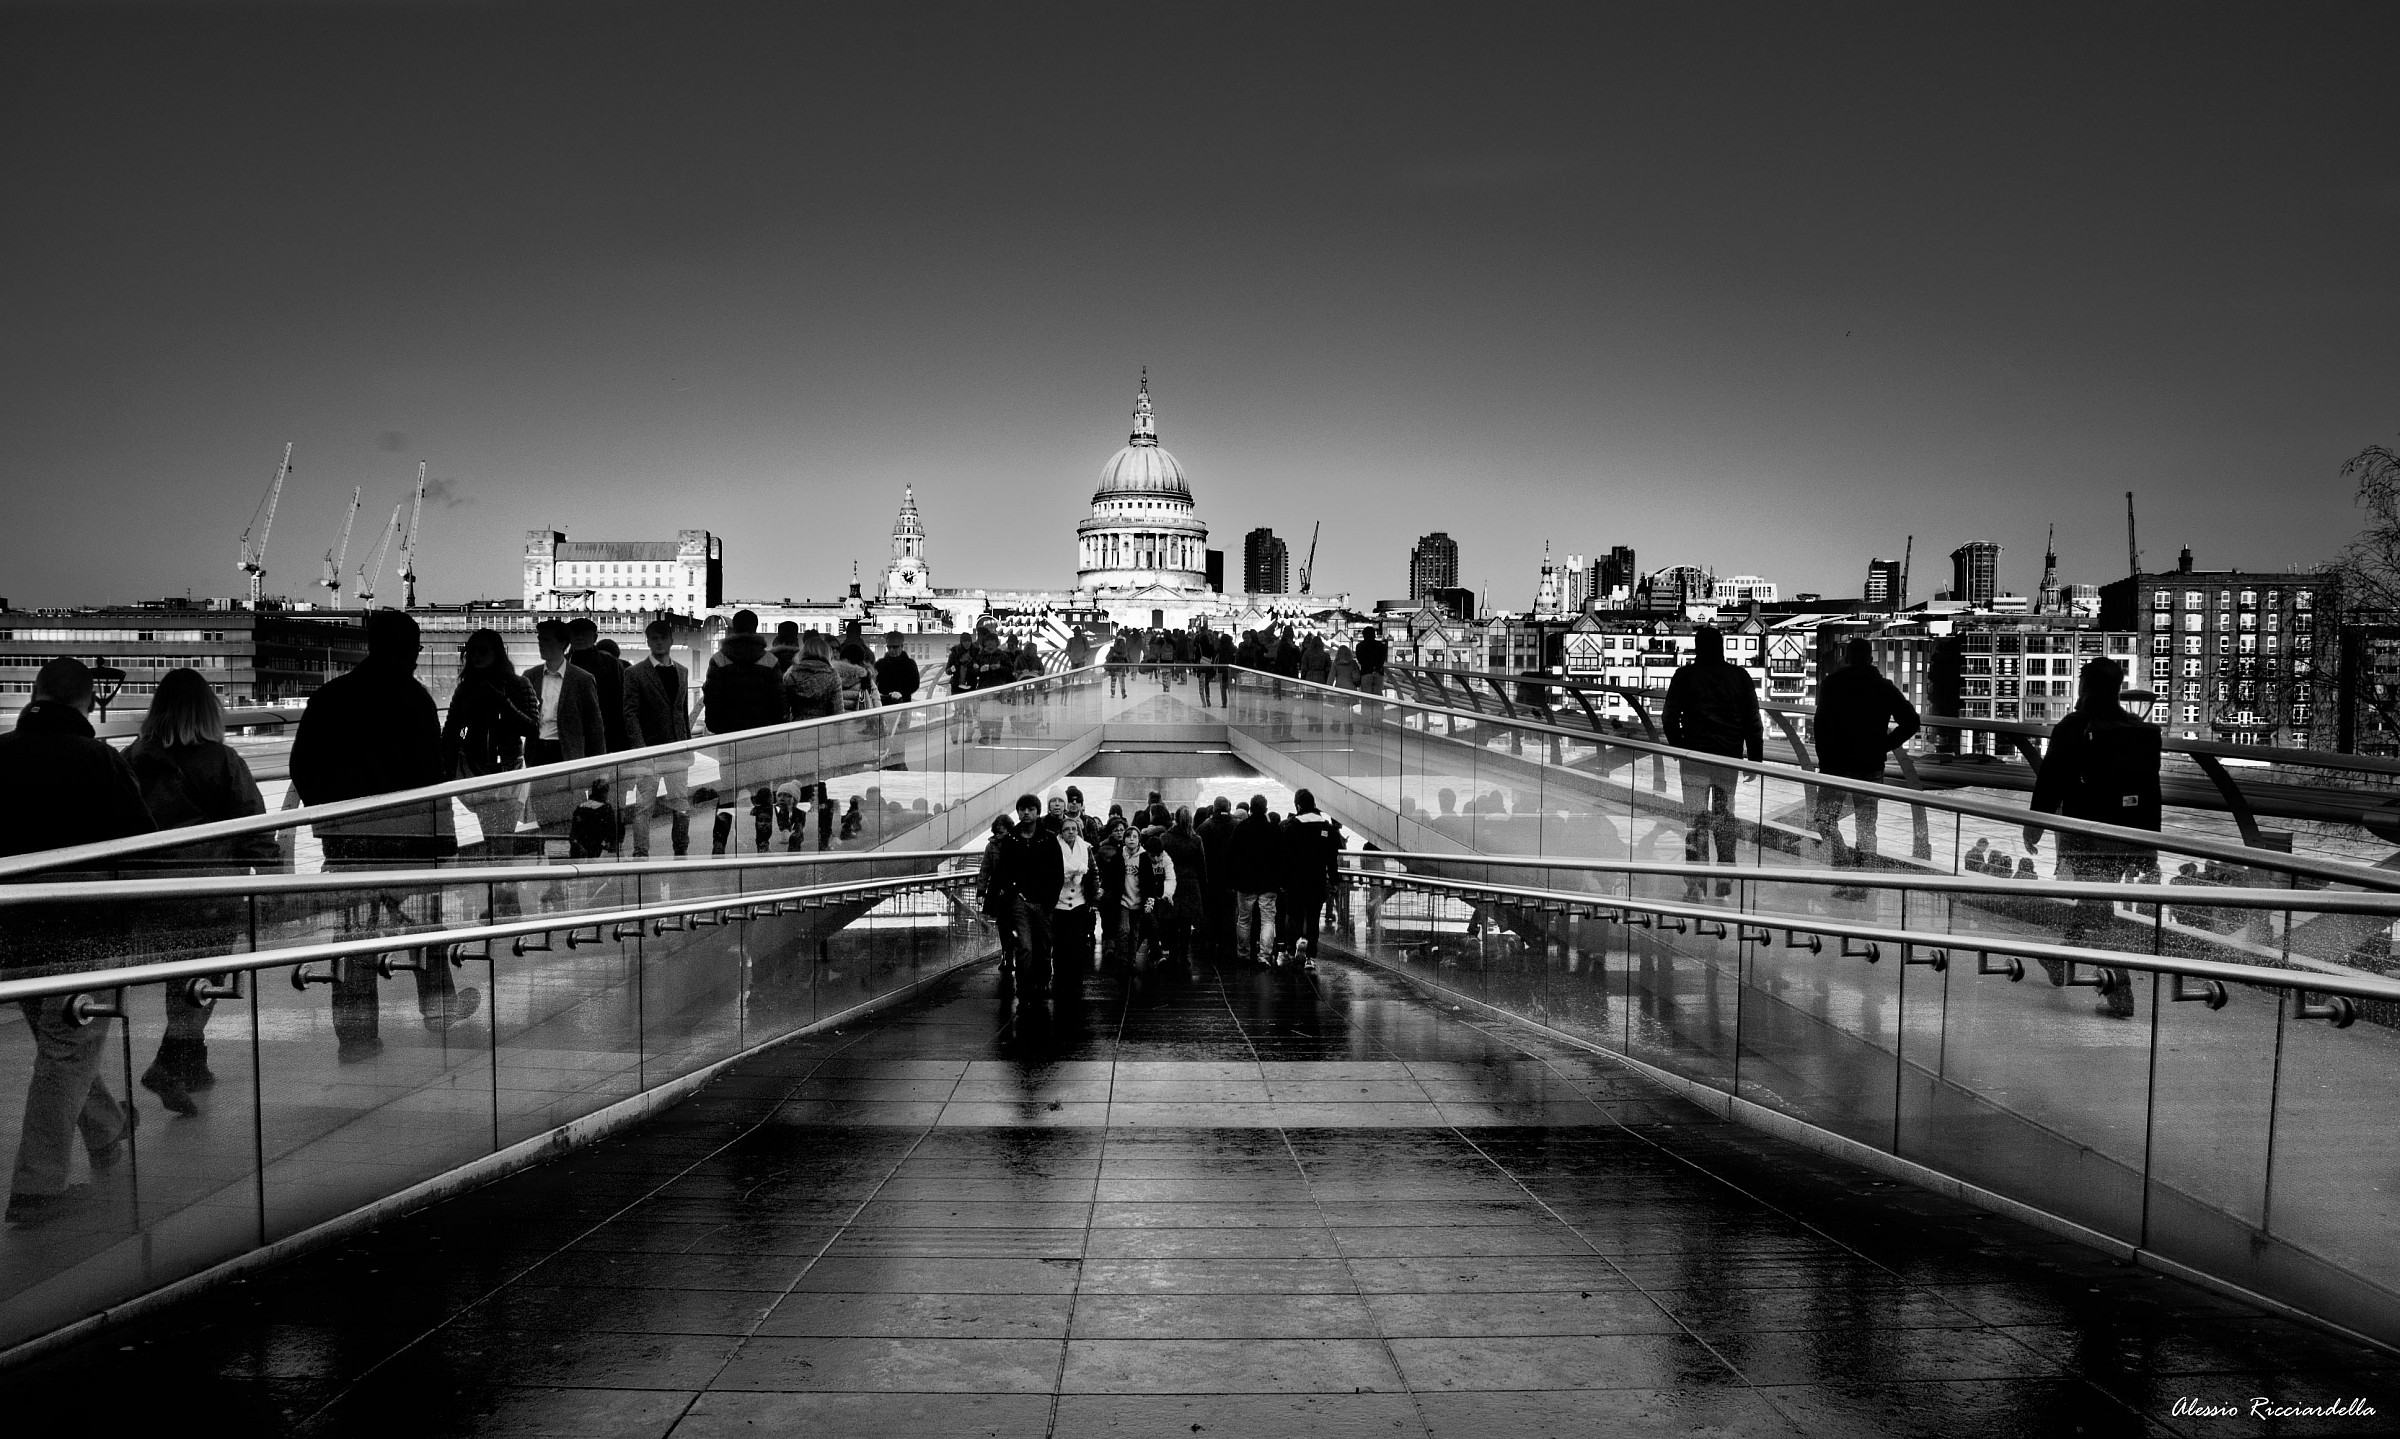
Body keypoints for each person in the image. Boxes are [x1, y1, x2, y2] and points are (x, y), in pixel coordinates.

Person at [1, 658, 153, 1226]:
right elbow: (142, 845)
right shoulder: (98, 760)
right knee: (67, 1049)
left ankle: (110, 1128)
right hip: (85, 929)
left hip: (10, 928)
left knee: (59, 1044)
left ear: (35, 694)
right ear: (88, 704)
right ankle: (36, 1185)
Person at [290, 609, 479, 1061]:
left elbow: (303, 767)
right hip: (409, 840)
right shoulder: (412, 699)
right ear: (406, 650)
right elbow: (431, 777)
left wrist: (332, 819)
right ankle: (437, 1008)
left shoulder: (331, 696)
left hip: (348, 841)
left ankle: (356, 1038)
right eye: (414, 650)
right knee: (423, 926)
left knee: (355, 938)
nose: (416, 658)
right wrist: (444, 839)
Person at [125, 668, 279, 1116]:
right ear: (207, 710)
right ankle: (169, 1062)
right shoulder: (222, 761)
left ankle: (194, 1065)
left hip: (150, 894)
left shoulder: (130, 758)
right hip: (209, 892)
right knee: (205, 981)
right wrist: (272, 885)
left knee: (181, 977)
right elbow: (255, 829)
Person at [2025, 656, 2160, 1018]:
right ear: (2117, 687)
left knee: (2099, 910)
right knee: (2095, 902)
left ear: (2084, 686)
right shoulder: (2135, 727)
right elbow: (2151, 788)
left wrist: (2034, 823)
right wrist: (2150, 847)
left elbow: (2051, 778)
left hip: (2086, 833)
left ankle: (2121, 991)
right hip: (2125, 834)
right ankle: (2058, 960)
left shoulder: (2075, 725)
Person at [1811, 638, 1920, 900]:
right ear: (1870, 660)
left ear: (1846, 659)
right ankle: (1862, 883)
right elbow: (1912, 722)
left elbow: (1821, 725)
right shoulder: (1883, 688)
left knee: (1824, 820)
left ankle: (1843, 864)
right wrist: (1883, 745)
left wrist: (1824, 758)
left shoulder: (1831, 685)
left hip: (1835, 764)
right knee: (1867, 827)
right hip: (1870, 765)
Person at [1662, 626, 1763, 898]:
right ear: (1722, 647)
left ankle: (1696, 882)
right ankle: (1726, 876)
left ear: (1697, 647)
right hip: (1728, 759)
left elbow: (1669, 718)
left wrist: (1680, 748)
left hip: (1694, 758)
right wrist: (1755, 757)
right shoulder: (1739, 676)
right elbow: (1753, 720)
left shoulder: (1685, 676)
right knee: (1724, 817)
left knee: (1695, 821)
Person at [442, 628, 539, 858]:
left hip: (508, 769)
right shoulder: (466, 688)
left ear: (497, 652)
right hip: (476, 769)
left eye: (482, 650)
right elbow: (451, 729)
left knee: (501, 835)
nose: (476, 656)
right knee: (494, 833)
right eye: (471, 651)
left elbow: (532, 728)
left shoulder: (518, 684)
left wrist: (502, 702)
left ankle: (500, 882)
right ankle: (501, 883)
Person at [627, 620, 693, 859]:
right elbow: (630, 713)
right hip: (649, 751)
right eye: (654, 638)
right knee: (644, 807)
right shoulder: (635, 673)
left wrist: (688, 747)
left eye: (662, 637)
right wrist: (640, 750)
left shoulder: (682, 671)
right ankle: (640, 853)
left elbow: (681, 711)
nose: (659, 642)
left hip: (677, 749)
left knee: (681, 804)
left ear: (671, 640)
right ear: (648, 641)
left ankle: (681, 848)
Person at [993, 794, 1063, 990]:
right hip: (1020, 901)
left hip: (1043, 901)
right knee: (1025, 946)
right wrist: (1010, 893)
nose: (1026, 812)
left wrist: (1050, 900)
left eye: (1031, 809)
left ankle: (1043, 981)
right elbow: (1001, 872)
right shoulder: (1011, 839)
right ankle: (1023, 986)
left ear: (1038, 812)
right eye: (1023, 809)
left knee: (1043, 945)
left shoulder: (1048, 839)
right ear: (1017, 812)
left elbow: (1057, 872)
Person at [566, 616, 643, 755]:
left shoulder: (610, 664)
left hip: (606, 736)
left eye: (584, 634)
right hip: (569, 738)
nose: (579, 638)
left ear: (594, 637)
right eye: (575, 634)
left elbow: (621, 703)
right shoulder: (561, 664)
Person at [1279, 790, 1339, 960]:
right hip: (1317, 881)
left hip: (1295, 882)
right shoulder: (1326, 827)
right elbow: (1332, 858)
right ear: (1313, 805)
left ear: (1298, 805)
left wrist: (1283, 881)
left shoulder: (1290, 827)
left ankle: (1293, 947)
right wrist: (1334, 880)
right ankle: (1311, 956)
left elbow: (1284, 857)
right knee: (1313, 918)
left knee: (1295, 916)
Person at [1227, 795, 1281, 965]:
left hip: (1245, 882)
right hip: (1268, 883)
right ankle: (1264, 956)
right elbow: (1282, 857)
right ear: (1266, 809)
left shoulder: (1242, 828)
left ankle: (1243, 953)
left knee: (1244, 919)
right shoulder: (1274, 830)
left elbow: (1232, 855)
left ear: (1250, 809)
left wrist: (1233, 879)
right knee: (1267, 920)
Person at [1161, 806, 1209, 960]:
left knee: (1172, 920)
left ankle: (1173, 953)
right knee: (1186, 921)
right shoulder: (1196, 840)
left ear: (1175, 819)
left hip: (1171, 881)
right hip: (1190, 884)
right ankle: (1184, 955)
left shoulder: (1165, 838)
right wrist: (1203, 887)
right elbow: (1201, 866)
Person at [976, 815, 1021, 975]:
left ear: (1009, 830)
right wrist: (981, 891)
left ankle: (1013, 953)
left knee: (1014, 922)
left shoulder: (1018, 844)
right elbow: (985, 868)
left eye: (1001, 833)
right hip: (997, 889)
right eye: (996, 833)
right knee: (1003, 924)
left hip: (1015, 890)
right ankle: (1007, 954)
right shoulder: (991, 846)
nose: (997, 836)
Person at [1197, 795, 1239, 958]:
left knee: (1209, 912)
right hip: (1230, 879)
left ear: (1213, 809)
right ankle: (1227, 946)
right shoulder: (1237, 825)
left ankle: (1209, 943)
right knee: (1229, 914)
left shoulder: (1204, 827)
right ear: (1228, 808)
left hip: (1210, 879)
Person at [1095, 814, 1137, 962]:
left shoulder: (1130, 847)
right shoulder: (1104, 848)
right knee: (1109, 918)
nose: (1119, 832)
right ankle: (1109, 945)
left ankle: (1118, 946)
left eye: (1121, 829)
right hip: (1110, 890)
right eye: (1116, 830)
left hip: (1126, 888)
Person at [1134, 829, 1177, 962]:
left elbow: (1170, 878)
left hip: (1158, 897)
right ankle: (1156, 954)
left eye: (1158, 855)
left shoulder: (1166, 859)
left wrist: (1167, 894)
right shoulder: (1141, 858)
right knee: (1149, 924)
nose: (1156, 859)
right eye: (1152, 856)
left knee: (1150, 925)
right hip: (1144, 897)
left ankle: (1142, 952)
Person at [783, 631, 844, 720]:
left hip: (797, 728)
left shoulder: (791, 672)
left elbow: (784, 711)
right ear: (826, 653)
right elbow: (838, 712)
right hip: (824, 728)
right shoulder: (832, 675)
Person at [876, 631, 921, 706]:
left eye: (895, 647)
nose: (891, 650)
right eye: (889, 647)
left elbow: (914, 684)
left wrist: (901, 693)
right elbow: (875, 683)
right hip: (885, 703)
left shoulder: (910, 664)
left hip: (903, 703)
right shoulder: (880, 664)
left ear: (902, 646)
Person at [836, 638, 878, 712]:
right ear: (862, 661)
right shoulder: (867, 679)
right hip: (860, 722)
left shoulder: (832, 678)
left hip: (836, 722)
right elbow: (877, 707)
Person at [1355, 625, 1389, 695]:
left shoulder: (1359, 646)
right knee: (1377, 698)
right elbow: (1382, 659)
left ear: (1364, 635)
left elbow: (1360, 660)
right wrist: (1377, 669)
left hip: (1366, 672)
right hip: (1379, 673)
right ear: (1374, 635)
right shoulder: (1381, 646)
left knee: (1366, 698)